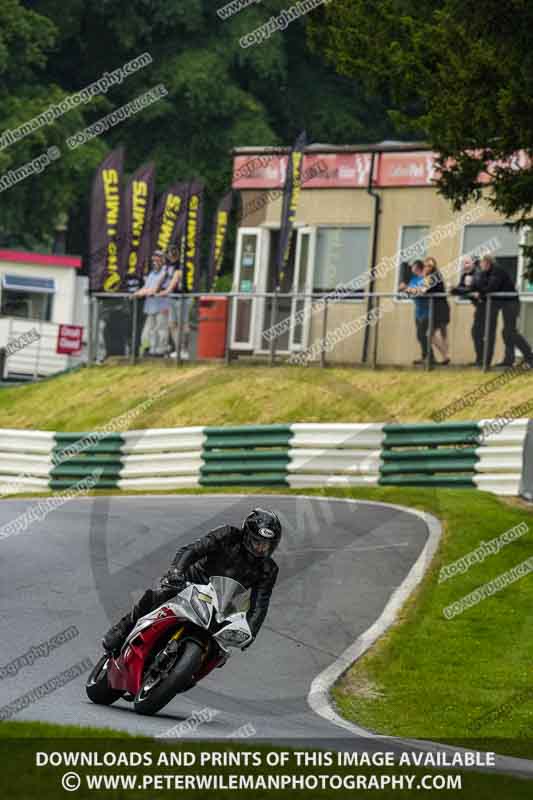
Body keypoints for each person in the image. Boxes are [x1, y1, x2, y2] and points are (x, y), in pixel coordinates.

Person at [102, 508, 282, 655]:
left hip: (221, 604)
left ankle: (188, 670)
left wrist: (250, 632)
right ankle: (123, 628)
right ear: (246, 534)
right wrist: (176, 571)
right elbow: (192, 550)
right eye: (257, 541)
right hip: (189, 582)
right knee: (159, 593)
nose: (260, 548)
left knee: (220, 651)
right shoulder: (227, 535)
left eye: (266, 545)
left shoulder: (268, 569)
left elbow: (260, 604)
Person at [474, 255, 533, 368]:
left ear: (487, 262)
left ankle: (529, 356)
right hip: (501, 303)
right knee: (504, 333)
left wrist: (481, 293)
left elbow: (492, 287)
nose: (480, 265)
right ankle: (508, 360)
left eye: (481, 263)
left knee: (510, 331)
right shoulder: (484, 273)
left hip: (511, 303)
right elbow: (478, 286)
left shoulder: (497, 271)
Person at [131, 250, 170, 356]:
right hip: (150, 307)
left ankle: (161, 350)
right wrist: (136, 293)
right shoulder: (152, 273)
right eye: (154, 259)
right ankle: (152, 349)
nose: (155, 261)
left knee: (161, 329)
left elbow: (155, 289)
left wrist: (140, 294)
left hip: (162, 307)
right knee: (150, 330)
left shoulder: (165, 273)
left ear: (163, 260)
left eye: (158, 259)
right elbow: (146, 287)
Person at [451, 256, 485, 366]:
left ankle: (482, 360)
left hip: (486, 305)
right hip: (478, 306)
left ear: (473, 263)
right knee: (476, 333)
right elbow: (459, 290)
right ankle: (480, 360)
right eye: (463, 263)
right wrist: (457, 290)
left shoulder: (478, 273)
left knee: (478, 332)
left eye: (467, 263)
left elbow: (474, 288)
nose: (464, 265)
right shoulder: (464, 275)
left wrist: (459, 290)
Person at [158, 244, 189, 358]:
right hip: (172, 298)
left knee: (183, 324)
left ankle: (185, 350)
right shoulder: (168, 266)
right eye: (169, 253)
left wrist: (163, 292)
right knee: (172, 324)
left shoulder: (180, 266)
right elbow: (162, 279)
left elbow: (173, 283)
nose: (170, 255)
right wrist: (156, 289)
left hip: (181, 298)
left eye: (172, 253)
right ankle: (178, 349)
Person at [399, 260, 431, 364]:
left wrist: (407, 289)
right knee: (420, 336)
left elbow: (421, 291)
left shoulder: (425, 278)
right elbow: (409, 292)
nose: (411, 269)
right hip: (418, 311)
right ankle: (426, 356)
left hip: (427, 311)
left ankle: (429, 357)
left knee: (421, 334)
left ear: (417, 267)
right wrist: (404, 289)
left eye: (413, 267)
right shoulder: (413, 279)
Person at [421, 257, 450, 365]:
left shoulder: (435, 277)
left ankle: (446, 355)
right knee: (440, 332)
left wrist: (424, 276)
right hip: (437, 307)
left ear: (433, 267)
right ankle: (446, 356)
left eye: (429, 266)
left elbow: (425, 290)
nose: (427, 268)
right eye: (425, 266)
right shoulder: (432, 277)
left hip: (440, 307)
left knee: (433, 333)